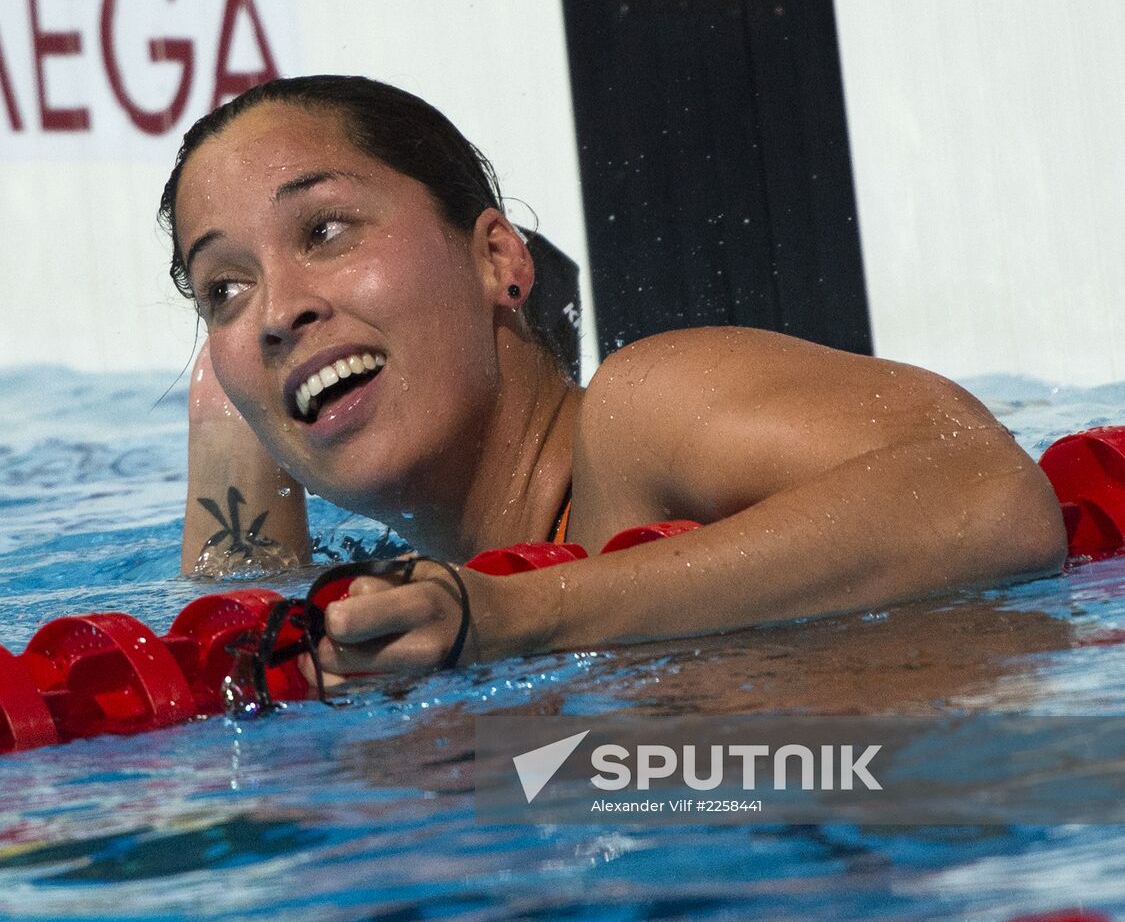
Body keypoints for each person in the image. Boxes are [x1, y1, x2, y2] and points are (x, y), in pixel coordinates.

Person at [159, 74, 1066, 680]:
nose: (276, 312)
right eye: (223, 289)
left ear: (497, 261)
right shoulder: (419, 611)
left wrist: (519, 616)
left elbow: (988, 494)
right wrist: (244, 395)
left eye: (324, 231)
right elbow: (233, 599)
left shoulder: (640, 418)